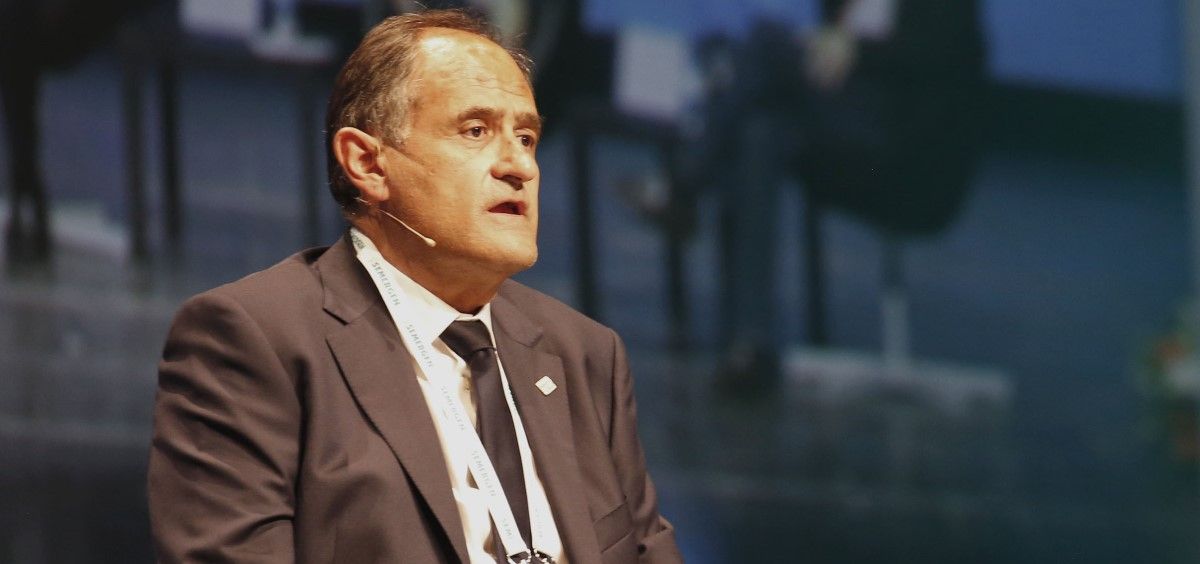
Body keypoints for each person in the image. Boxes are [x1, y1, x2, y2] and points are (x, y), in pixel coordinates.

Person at [147, 10, 682, 564]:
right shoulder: (257, 340)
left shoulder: (584, 355)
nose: (519, 166)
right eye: (475, 131)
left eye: (526, 138)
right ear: (367, 163)